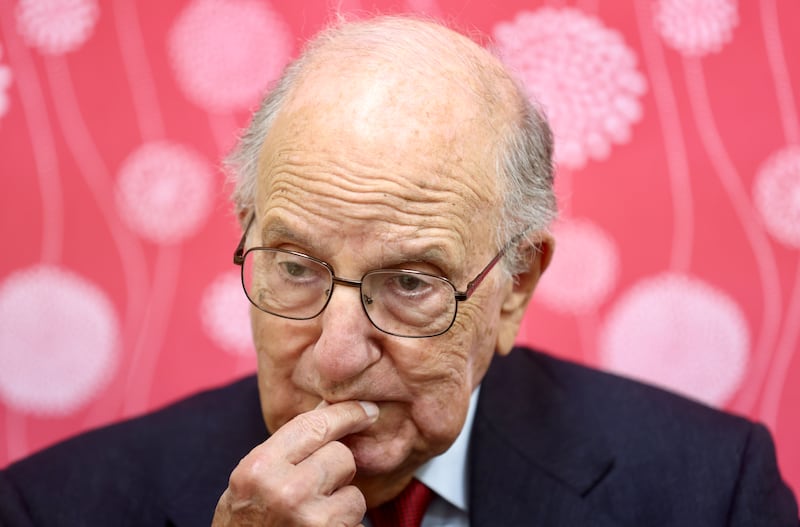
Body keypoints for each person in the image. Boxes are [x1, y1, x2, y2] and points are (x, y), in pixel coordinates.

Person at [0, 15, 797, 527]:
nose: (337, 356)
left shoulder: (710, 491)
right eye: (297, 266)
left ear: (515, 284)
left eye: (410, 282)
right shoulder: (52, 505)